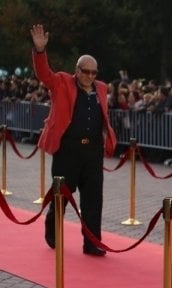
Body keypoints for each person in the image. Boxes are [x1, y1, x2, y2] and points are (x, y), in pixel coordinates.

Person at [31, 24, 116, 256]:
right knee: (61, 198)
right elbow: (43, 74)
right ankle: (52, 231)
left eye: (93, 72)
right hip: (67, 151)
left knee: (92, 201)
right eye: (85, 71)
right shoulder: (62, 82)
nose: (90, 76)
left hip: (92, 152)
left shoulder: (101, 88)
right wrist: (40, 52)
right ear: (76, 70)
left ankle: (92, 243)